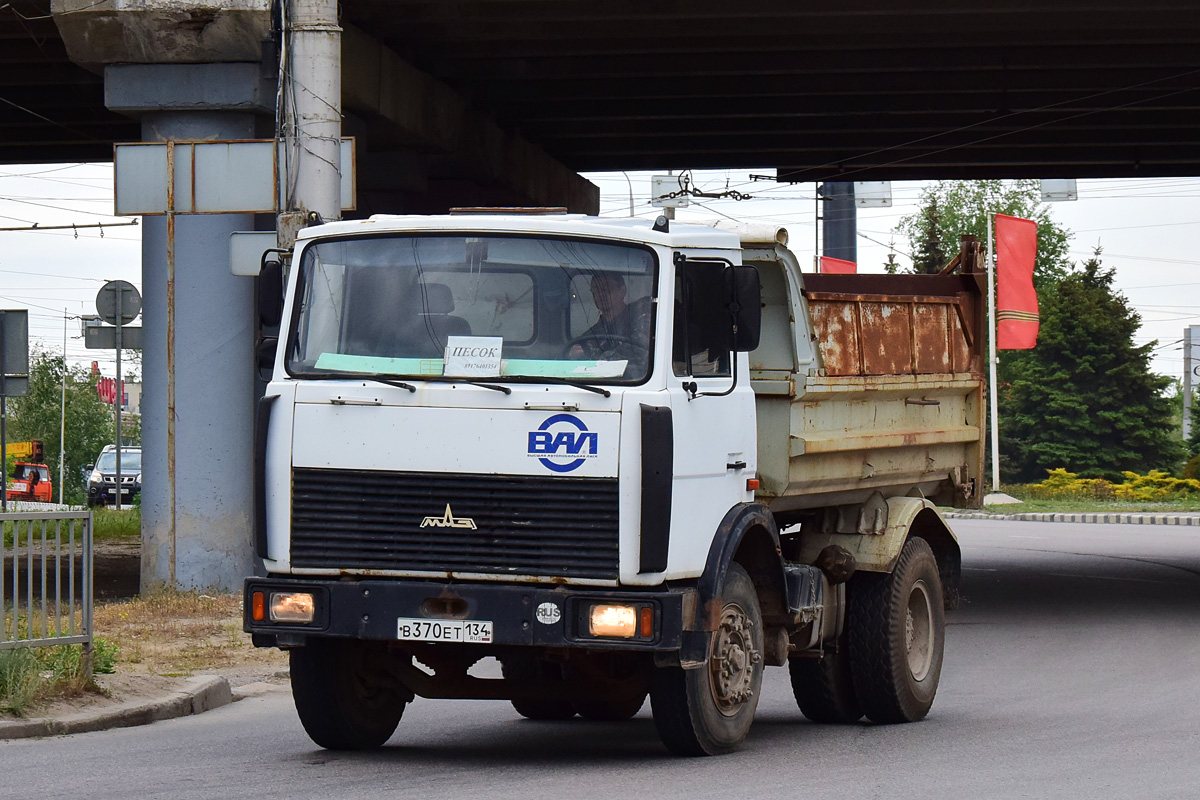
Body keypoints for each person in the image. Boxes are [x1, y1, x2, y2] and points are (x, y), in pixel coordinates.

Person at [570, 273, 651, 359]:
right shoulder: (593, 332)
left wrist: (597, 357)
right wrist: (573, 352)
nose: (600, 294)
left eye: (606, 289)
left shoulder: (640, 316)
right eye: (595, 291)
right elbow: (577, 349)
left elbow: (638, 350)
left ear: (623, 290)